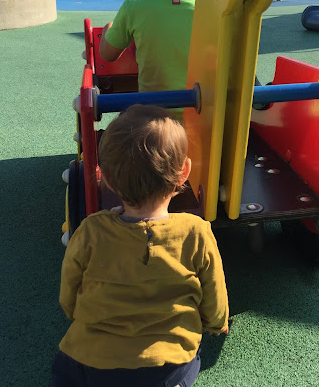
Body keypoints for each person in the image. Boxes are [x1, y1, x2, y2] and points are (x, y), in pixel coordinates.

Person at [51, 104, 229, 387]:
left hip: (90, 361)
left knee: (64, 369)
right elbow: (214, 291)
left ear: (105, 178)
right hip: (166, 367)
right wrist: (216, 322)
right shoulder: (196, 231)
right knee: (188, 364)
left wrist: (75, 313)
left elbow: (69, 289)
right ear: (184, 172)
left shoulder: (91, 230)